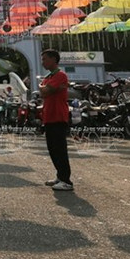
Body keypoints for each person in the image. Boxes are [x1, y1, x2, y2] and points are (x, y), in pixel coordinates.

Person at [39, 49, 73, 192]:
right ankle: (60, 176)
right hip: (49, 117)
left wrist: (43, 87)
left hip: (58, 117)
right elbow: (44, 91)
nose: (43, 62)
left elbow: (45, 91)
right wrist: (44, 87)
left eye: (45, 59)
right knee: (52, 149)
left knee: (60, 149)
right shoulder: (49, 77)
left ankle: (66, 181)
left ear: (54, 59)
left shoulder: (60, 75)